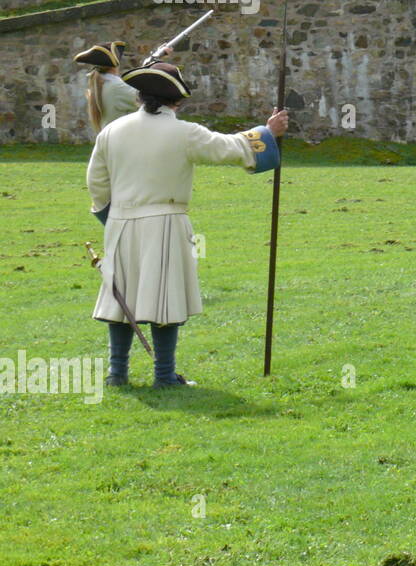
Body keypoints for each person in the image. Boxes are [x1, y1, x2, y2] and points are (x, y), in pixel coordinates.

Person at [87, 63, 289, 387]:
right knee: (164, 299)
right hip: (166, 222)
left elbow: (95, 182)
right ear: (176, 101)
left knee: (120, 300)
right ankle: (164, 376)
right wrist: (267, 132)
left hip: (121, 223)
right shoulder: (184, 132)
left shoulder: (111, 131)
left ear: (140, 96)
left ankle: (117, 374)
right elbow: (229, 148)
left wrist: (112, 218)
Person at [73, 39, 173, 131]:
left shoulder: (104, 83)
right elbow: (150, 99)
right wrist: (157, 64)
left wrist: (151, 63)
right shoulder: (115, 86)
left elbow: (135, 87)